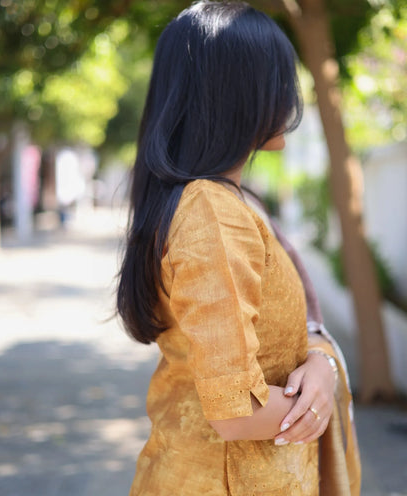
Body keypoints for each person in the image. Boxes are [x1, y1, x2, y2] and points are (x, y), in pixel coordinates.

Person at [117, 2, 360, 494]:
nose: (288, 100)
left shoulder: (220, 201)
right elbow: (237, 411)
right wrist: (319, 397)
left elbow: (275, 335)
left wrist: (322, 363)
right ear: (239, 94)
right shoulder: (212, 211)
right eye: (278, 81)